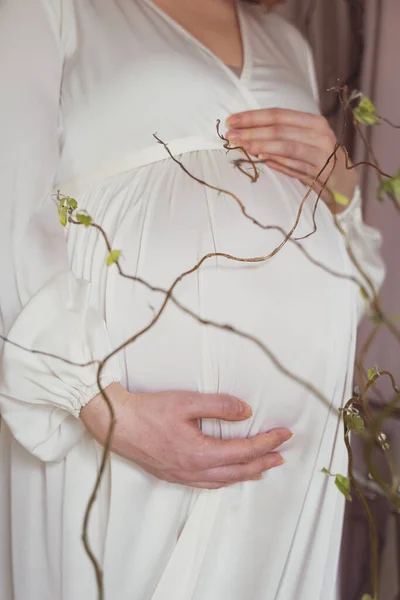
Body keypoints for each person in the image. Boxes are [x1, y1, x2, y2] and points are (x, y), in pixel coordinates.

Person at [0, 0, 385, 599]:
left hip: (290, 464)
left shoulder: (287, 40)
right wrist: (99, 406)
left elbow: (354, 274)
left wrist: (340, 184)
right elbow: (8, 196)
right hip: (109, 427)